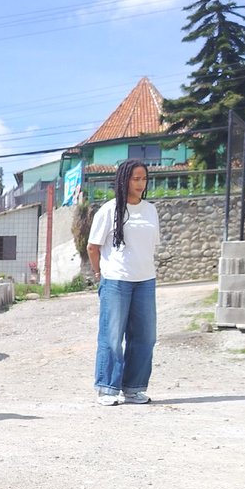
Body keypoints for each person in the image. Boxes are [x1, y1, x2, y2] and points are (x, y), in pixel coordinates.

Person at [87, 158, 160, 406]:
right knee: (112, 335)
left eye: (144, 178)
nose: (141, 183)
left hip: (145, 281)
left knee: (146, 336)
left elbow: (151, 245)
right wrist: (99, 274)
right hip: (116, 280)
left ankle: (134, 388)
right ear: (124, 180)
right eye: (135, 178)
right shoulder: (109, 210)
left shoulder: (150, 210)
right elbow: (93, 247)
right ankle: (108, 388)